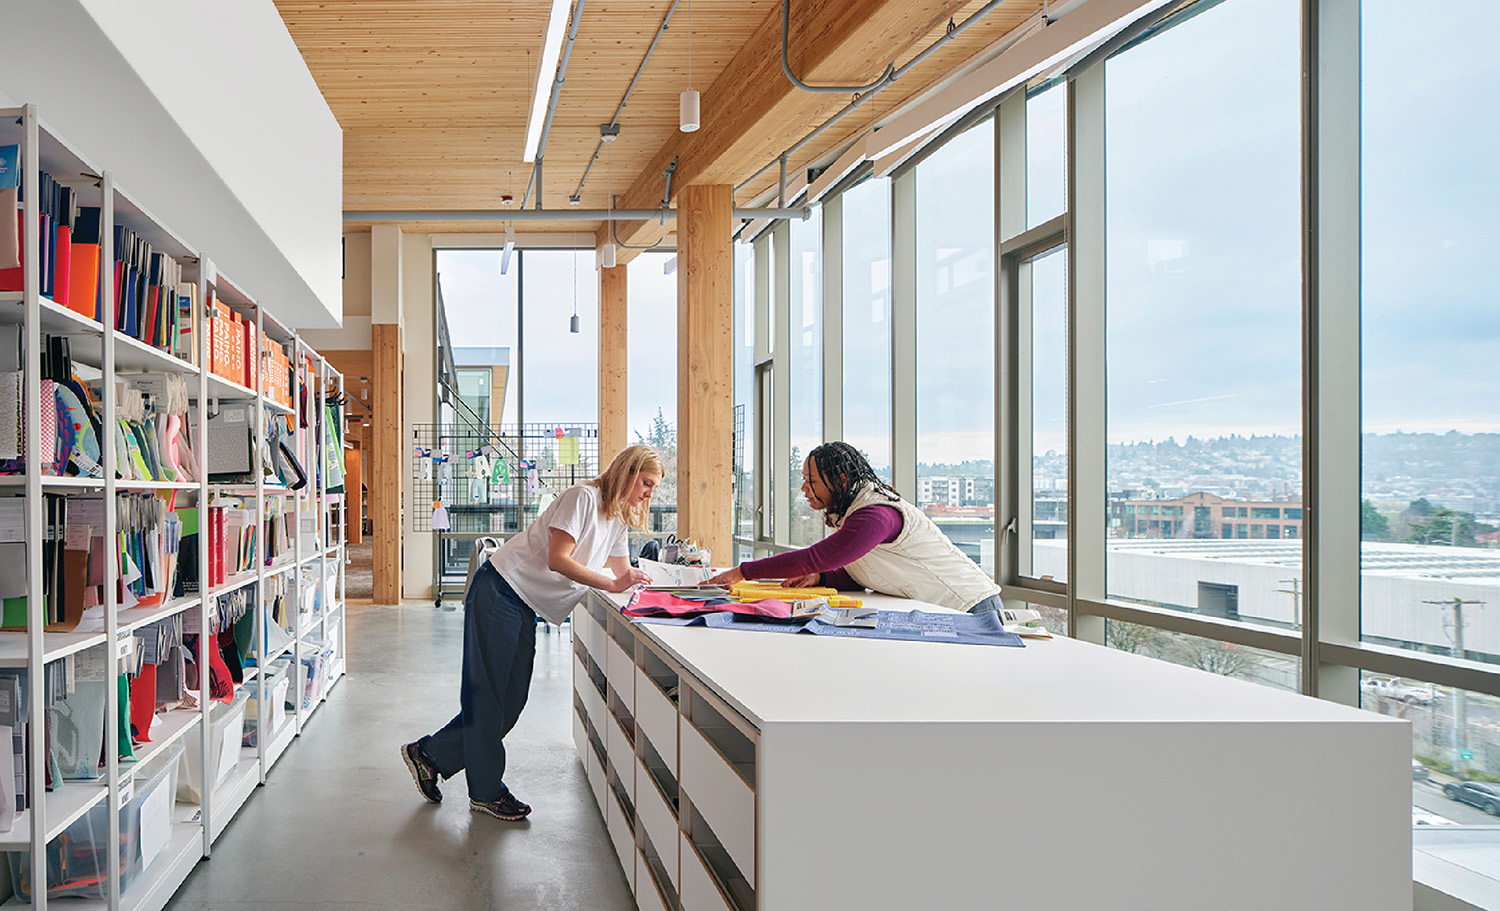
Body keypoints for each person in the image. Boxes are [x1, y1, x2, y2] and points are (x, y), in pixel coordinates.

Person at [402, 445, 662, 820]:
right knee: (489, 699)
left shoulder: (617, 519)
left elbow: (620, 575)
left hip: (523, 603)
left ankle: (428, 755)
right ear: (628, 471)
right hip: (500, 590)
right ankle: (486, 792)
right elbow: (560, 559)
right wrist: (612, 582)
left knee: (510, 703)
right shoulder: (582, 498)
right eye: (647, 483)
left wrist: (644, 587)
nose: (649, 493)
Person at [709, 441, 1002, 613]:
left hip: (972, 607)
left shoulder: (875, 516)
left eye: (811, 481)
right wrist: (822, 577)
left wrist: (742, 572)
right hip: (943, 609)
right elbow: (863, 569)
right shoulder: (851, 512)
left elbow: (817, 556)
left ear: (841, 479)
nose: (804, 488)